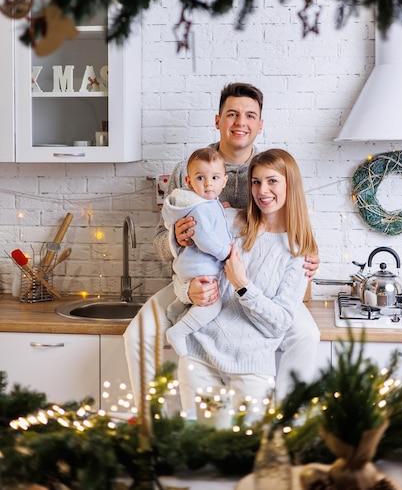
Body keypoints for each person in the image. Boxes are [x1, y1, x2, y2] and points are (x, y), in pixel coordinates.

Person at [124, 82, 320, 408]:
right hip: (197, 276)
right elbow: (161, 239)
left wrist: (310, 259)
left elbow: (294, 224)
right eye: (232, 114)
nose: (240, 122)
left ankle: (287, 424)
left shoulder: (271, 170)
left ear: (260, 125)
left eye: (249, 116)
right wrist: (177, 239)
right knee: (137, 335)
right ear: (218, 120)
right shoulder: (190, 168)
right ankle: (150, 426)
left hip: (255, 282)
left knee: (306, 335)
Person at [177, 148, 319, 417]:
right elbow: (186, 270)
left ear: (291, 185)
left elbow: (280, 323)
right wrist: (187, 290)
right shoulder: (228, 221)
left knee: (250, 452)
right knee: (199, 452)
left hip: (251, 364)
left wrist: (243, 285)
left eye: (272, 181)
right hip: (199, 354)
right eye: (256, 182)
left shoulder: (299, 251)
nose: (262, 190)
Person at [162, 147, 232, 357]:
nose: (208, 183)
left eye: (215, 178)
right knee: (212, 304)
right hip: (200, 267)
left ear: (224, 181)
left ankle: (175, 309)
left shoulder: (209, 203)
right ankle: (178, 332)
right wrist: (225, 252)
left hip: (190, 265)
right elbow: (204, 239)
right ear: (189, 181)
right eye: (201, 178)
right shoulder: (201, 207)